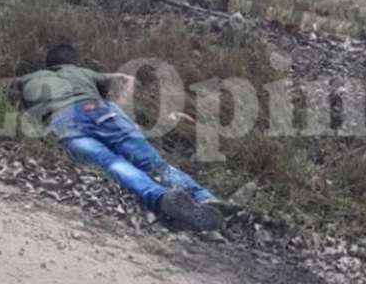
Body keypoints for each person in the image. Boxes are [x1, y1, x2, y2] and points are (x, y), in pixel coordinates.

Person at [14, 43, 231, 232]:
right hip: (102, 110)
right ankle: (204, 197)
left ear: (47, 64)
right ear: (73, 62)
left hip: (64, 120)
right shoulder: (83, 72)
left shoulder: (29, 78)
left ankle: (159, 197)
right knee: (152, 162)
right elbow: (127, 78)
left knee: (111, 163)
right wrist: (120, 107)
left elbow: (10, 90)